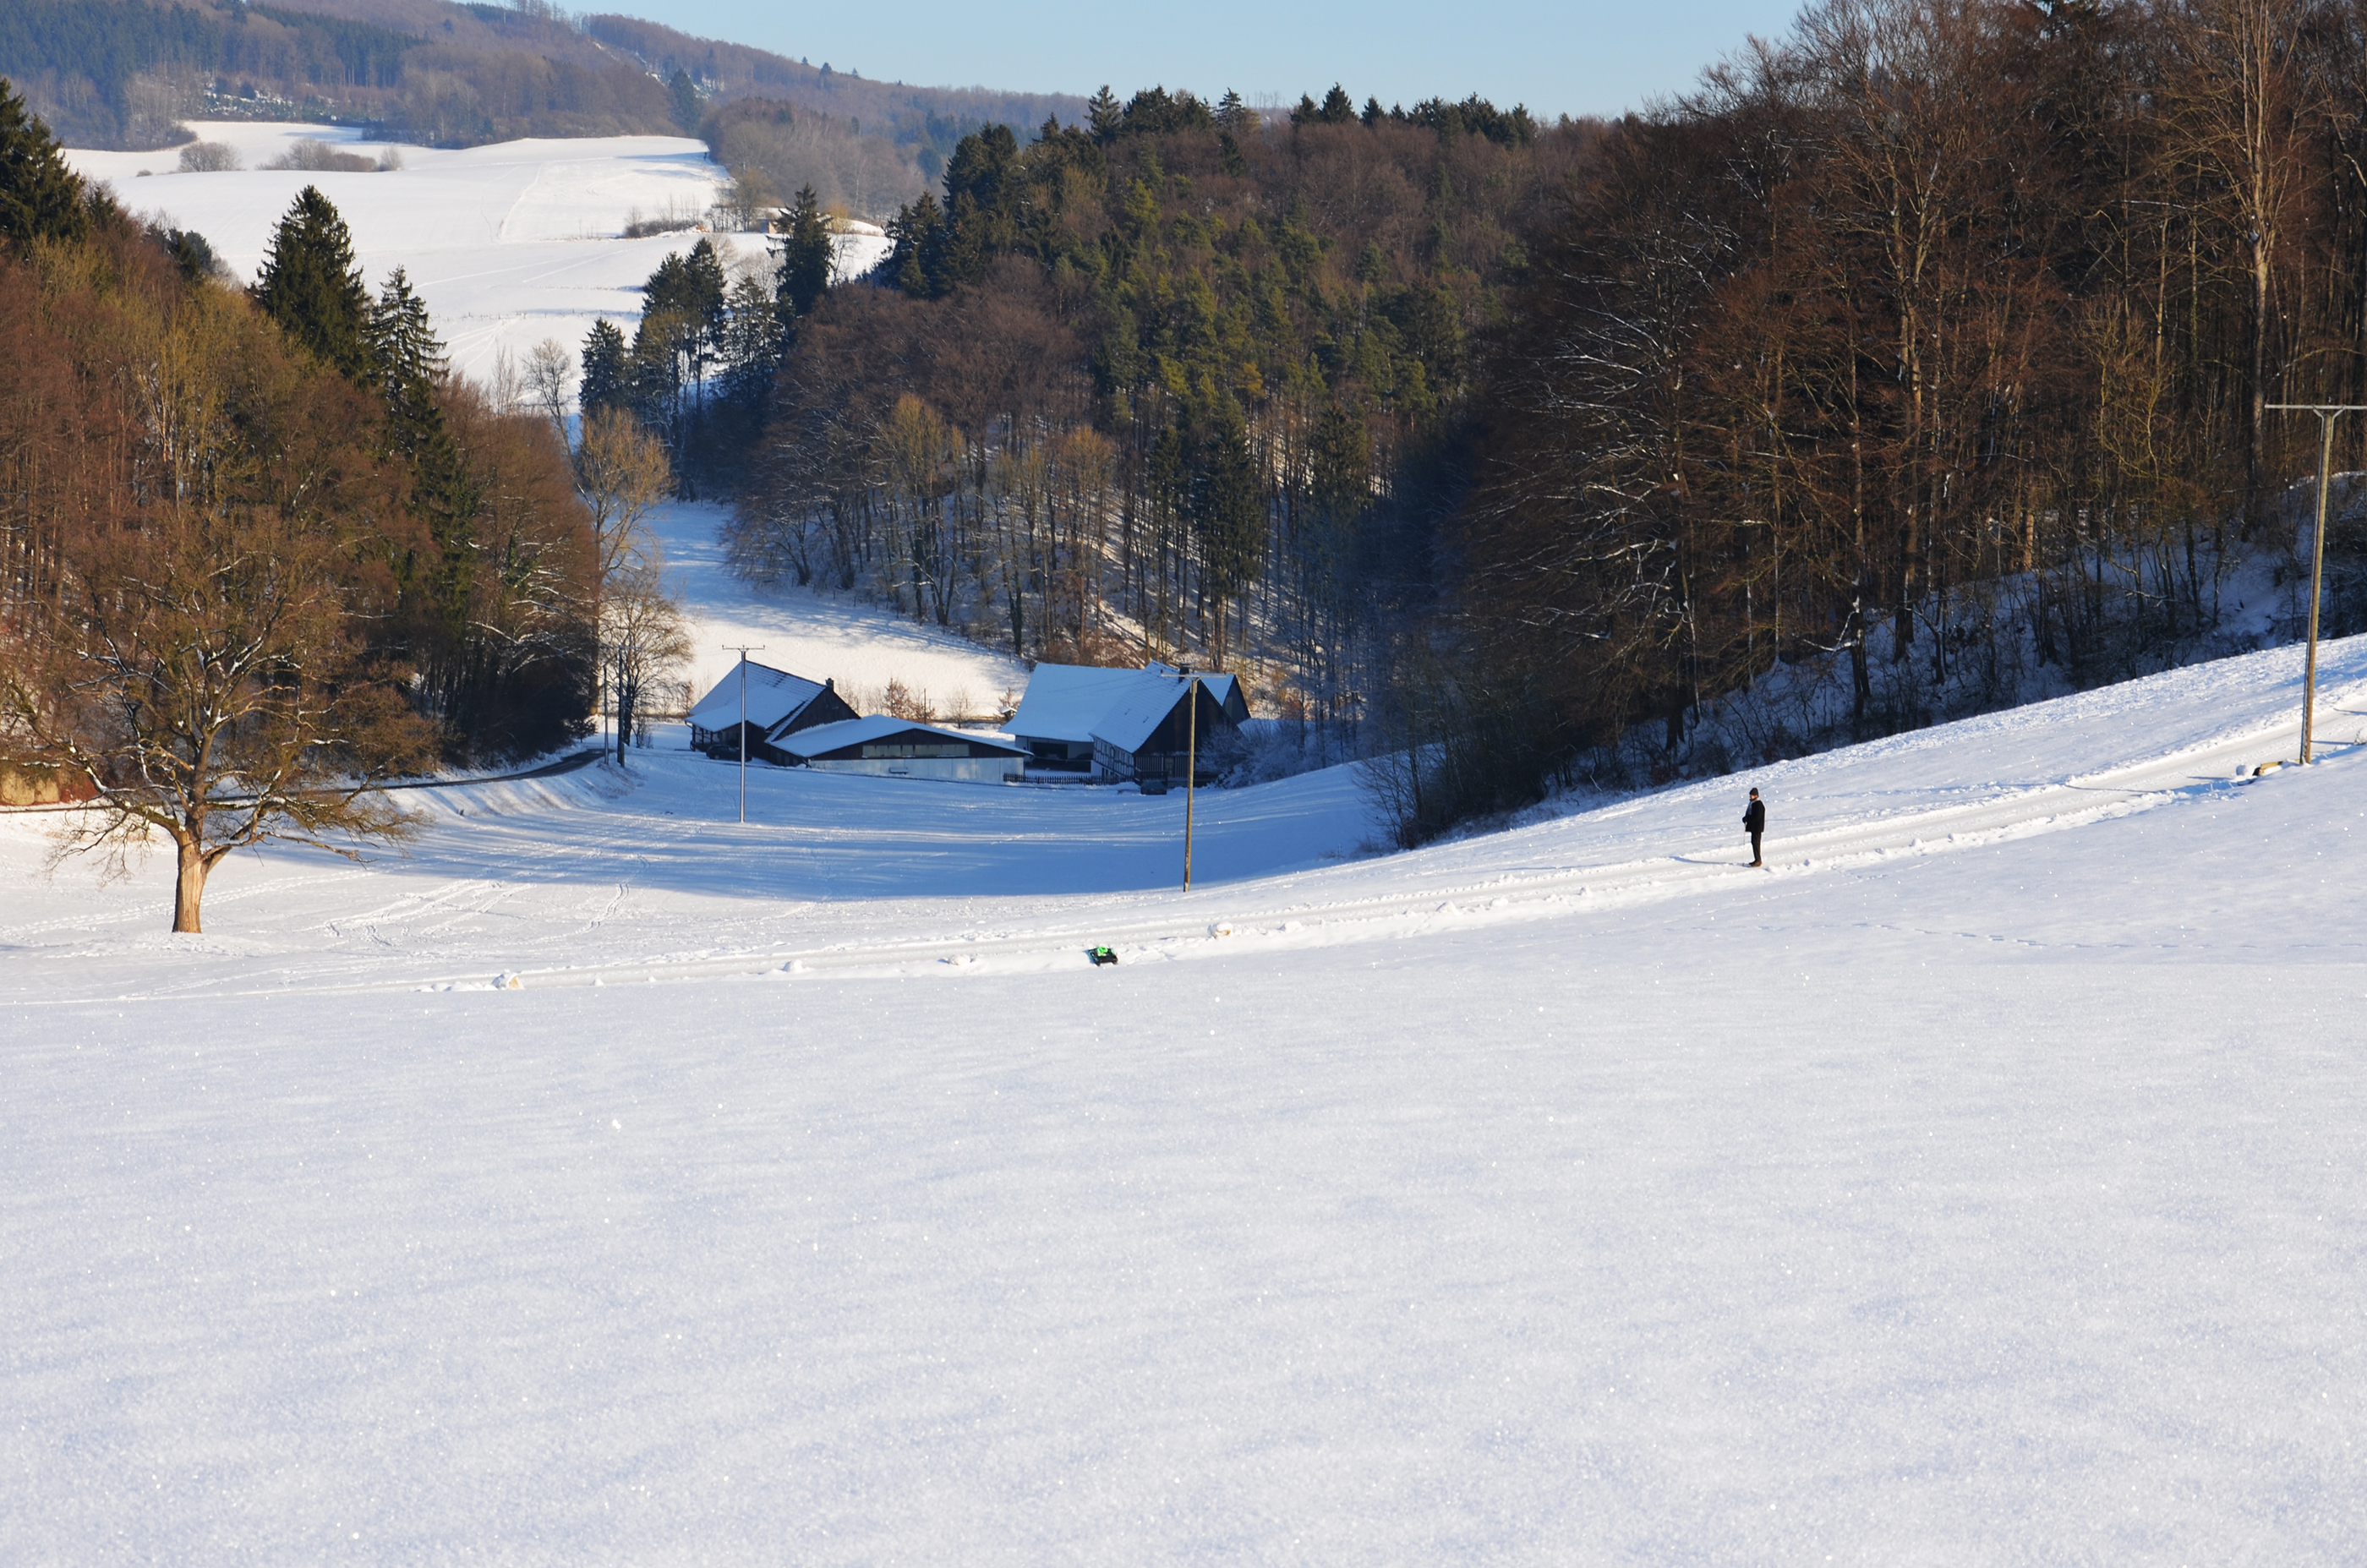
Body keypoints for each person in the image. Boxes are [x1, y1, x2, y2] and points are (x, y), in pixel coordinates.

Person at [1742, 788, 1766, 867]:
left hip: (1757, 828)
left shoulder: (1758, 804)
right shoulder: (1753, 803)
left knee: (1756, 843)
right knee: (1754, 843)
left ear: (1756, 795)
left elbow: (1757, 817)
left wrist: (1747, 819)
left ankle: (1758, 860)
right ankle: (1756, 859)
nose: (1750, 797)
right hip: (1755, 827)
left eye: (1751, 795)